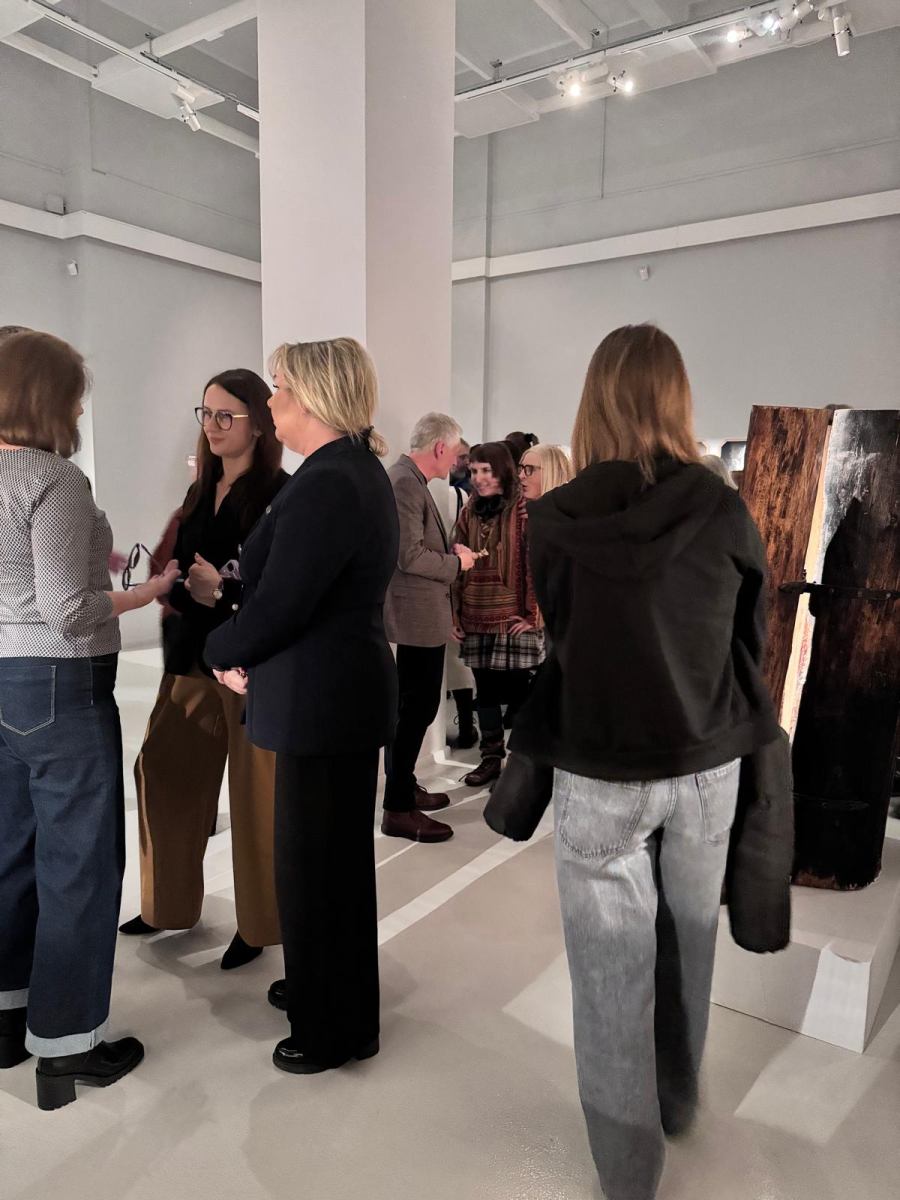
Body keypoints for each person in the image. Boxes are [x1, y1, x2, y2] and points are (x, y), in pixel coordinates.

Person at [509, 324, 779, 1200]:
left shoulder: (555, 518)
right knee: (689, 944)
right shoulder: (722, 507)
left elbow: (564, 635)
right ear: (677, 398)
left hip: (600, 765)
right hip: (705, 763)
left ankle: (628, 1174)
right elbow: (751, 636)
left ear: (593, 400)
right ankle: (678, 1100)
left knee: (608, 977)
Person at [205, 337, 399, 1075]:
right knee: (331, 865)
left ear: (313, 398)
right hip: (333, 694)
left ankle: (331, 1027)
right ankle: (330, 991)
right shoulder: (346, 470)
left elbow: (283, 604)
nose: (271, 401)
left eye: (280, 387)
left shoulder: (328, 482)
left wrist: (220, 647)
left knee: (316, 869)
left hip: (323, 700)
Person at [0, 331, 179, 1109]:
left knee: (9, 851)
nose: (77, 411)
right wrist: (147, 592)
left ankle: (7, 1019)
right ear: (47, 397)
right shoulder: (53, 478)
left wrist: (97, 566)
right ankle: (68, 1046)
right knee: (78, 863)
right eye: (74, 397)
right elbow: (68, 611)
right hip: (58, 686)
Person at [119, 370, 288, 970]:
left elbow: (284, 589)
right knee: (162, 774)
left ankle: (260, 923)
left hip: (249, 665)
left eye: (226, 416)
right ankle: (166, 904)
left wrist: (223, 591)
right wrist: (166, 583)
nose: (212, 426)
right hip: (189, 658)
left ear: (258, 424)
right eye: (206, 413)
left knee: (256, 797)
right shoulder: (198, 491)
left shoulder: (280, 494)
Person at [382, 413, 477, 843]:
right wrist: (458, 563)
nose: (456, 461)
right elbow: (409, 556)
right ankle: (398, 807)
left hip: (417, 616)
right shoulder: (405, 482)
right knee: (414, 711)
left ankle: (403, 789)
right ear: (440, 448)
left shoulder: (409, 480)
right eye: (455, 452)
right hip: (414, 618)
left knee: (413, 709)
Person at [453, 442, 543, 787]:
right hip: (476, 613)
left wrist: (534, 615)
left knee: (520, 696)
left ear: (502, 471)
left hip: (514, 616)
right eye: (474, 471)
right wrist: (455, 614)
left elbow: (537, 563)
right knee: (485, 693)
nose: (479, 478)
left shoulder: (525, 508)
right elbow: (456, 564)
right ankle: (491, 759)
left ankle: (521, 771)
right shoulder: (470, 510)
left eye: (486, 470)